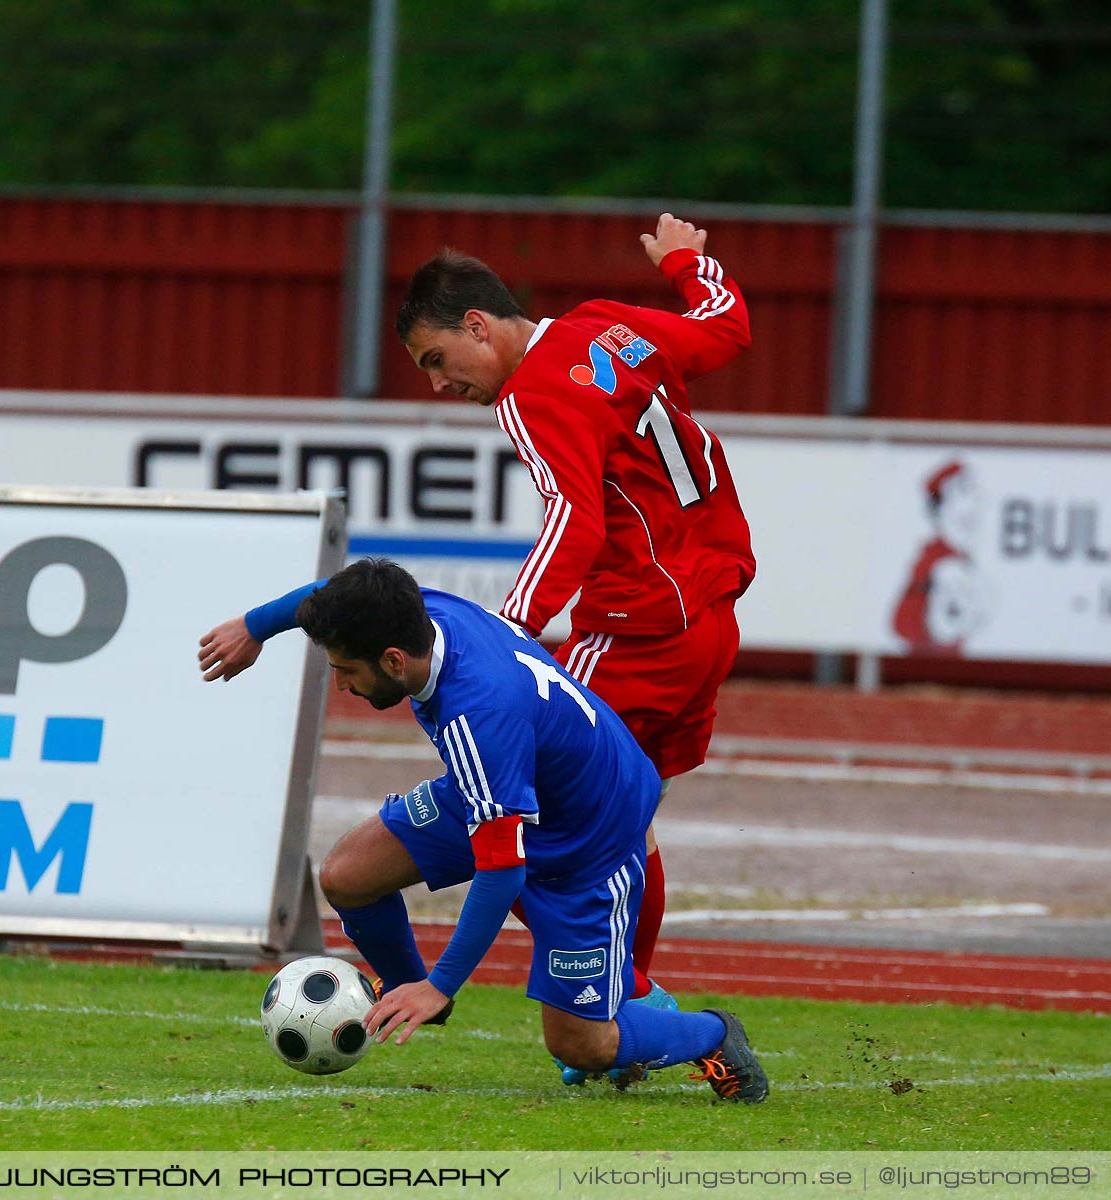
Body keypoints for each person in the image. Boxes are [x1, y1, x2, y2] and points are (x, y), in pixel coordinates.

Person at [201, 215, 758, 1084]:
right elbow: (727, 327)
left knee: (568, 808)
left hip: (638, 624)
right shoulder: (605, 324)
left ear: (478, 326)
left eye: (435, 360)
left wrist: (512, 633)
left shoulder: (532, 394)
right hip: (709, 613)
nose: (436, 383)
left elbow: (571, 519)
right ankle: (621, 999)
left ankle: (621, 1012)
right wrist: (689, 264)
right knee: (619, 813)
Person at [245, 558, 767, 1102]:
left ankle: (713, 1034)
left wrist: (441, 982)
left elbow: (501, 871)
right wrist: (253, 627)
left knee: (580, 1046)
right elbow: (338, 591)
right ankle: (408, 991)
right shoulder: (422, 613)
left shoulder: (478, 714)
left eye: (346, 669)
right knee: (348, 875)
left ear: (394, 660)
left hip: (587, 845)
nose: (341, 683)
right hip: (510, 784)